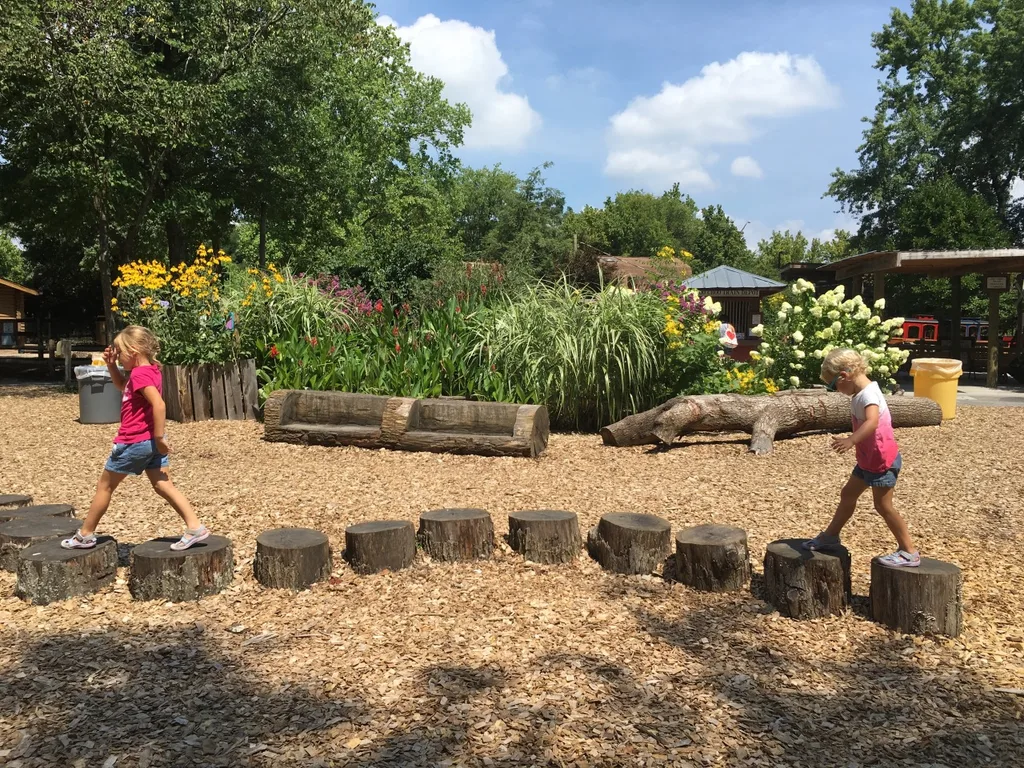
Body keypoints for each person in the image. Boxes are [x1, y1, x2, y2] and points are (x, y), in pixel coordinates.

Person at [62, 325, 211, 551]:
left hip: (134, 441)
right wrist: (111, 366)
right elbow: (123, 386)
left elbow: (159, 405)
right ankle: (195, 527)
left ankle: (85, 535)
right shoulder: (150, 370)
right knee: (163, 484)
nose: (119, 358)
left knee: (105, 486)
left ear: (133, 351)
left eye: (120, 353)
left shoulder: (140, 374)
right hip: (149, 442)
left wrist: (160, 437)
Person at [803, 348, 920, 567]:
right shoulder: (861, 394)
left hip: (882, 461)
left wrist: (851, 440)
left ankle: (909, 551)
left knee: (883, 506)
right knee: (848, 494)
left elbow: (872, 422)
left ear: (844, 376)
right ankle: (830, 536)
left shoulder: (868, 394)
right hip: (868, 459)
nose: (837, 391)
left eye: (833, 386)